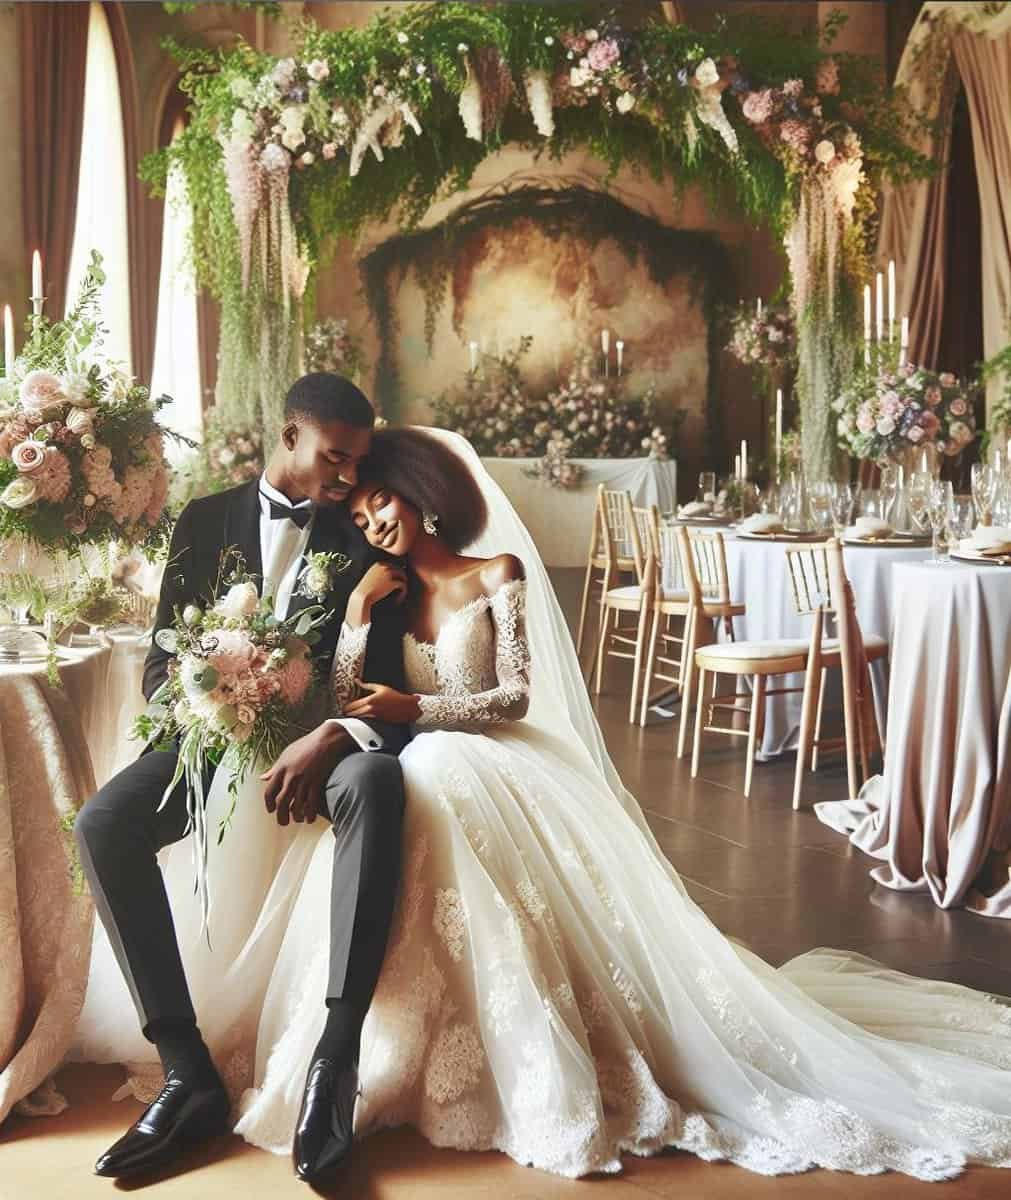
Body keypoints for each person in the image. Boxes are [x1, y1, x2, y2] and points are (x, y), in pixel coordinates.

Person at [233, 428, 1011, 1183]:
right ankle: (393, 1040)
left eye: (381, 505)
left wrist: (419, 712)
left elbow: (513, 696)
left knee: (433, 773)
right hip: (428, 756)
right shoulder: (387, 590)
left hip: (487, 756)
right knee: (416, 785)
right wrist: (364, 616)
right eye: (362, 518)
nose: (374, 524)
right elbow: (349, 702)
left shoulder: (496, 571)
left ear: (419, 493)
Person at [73, 374, 412, 1184]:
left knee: (377, 785)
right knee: (102, 823)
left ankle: (333, 1067)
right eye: (334, 457)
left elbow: (394, 688)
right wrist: (211, 687)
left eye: (356, 461)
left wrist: (334, 735)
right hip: (213, 740)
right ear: (289, 435)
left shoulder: (368, 534)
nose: (346, 477)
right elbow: (160, 660)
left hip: (322, 750)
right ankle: (187, 1073)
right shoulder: (204, 518)